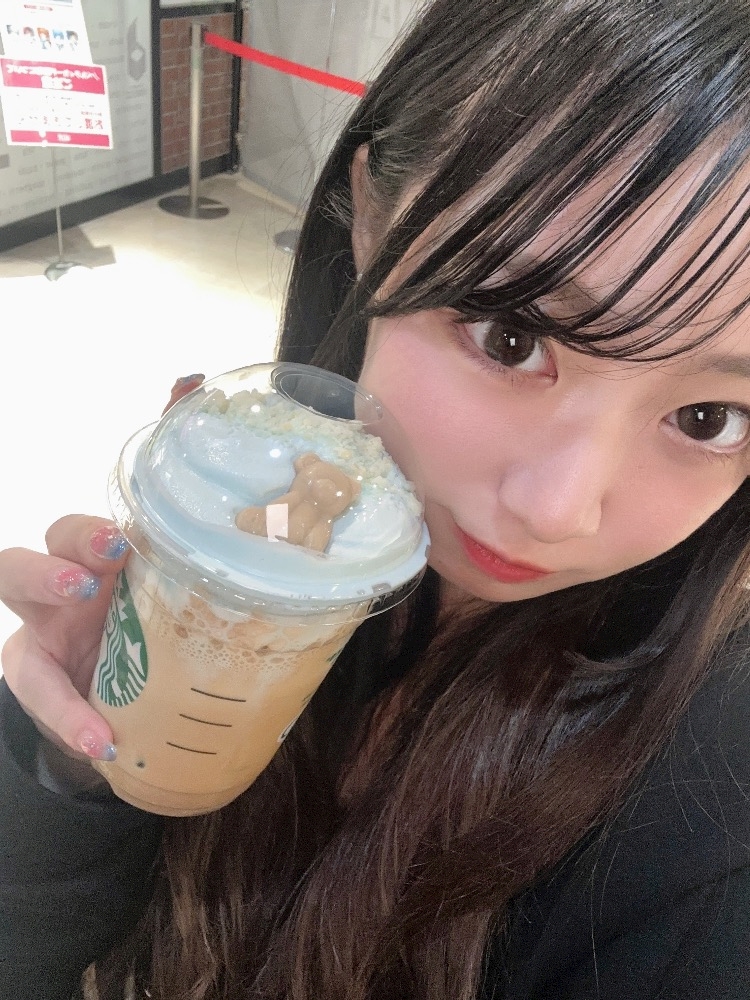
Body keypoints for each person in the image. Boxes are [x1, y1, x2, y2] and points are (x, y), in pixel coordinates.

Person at [2, 0, 750, 997]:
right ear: (371, 214)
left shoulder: (706, 843)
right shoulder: (269, 509)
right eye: (513, 335)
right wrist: (70, 771)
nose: (556, 509)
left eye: (708, 417)